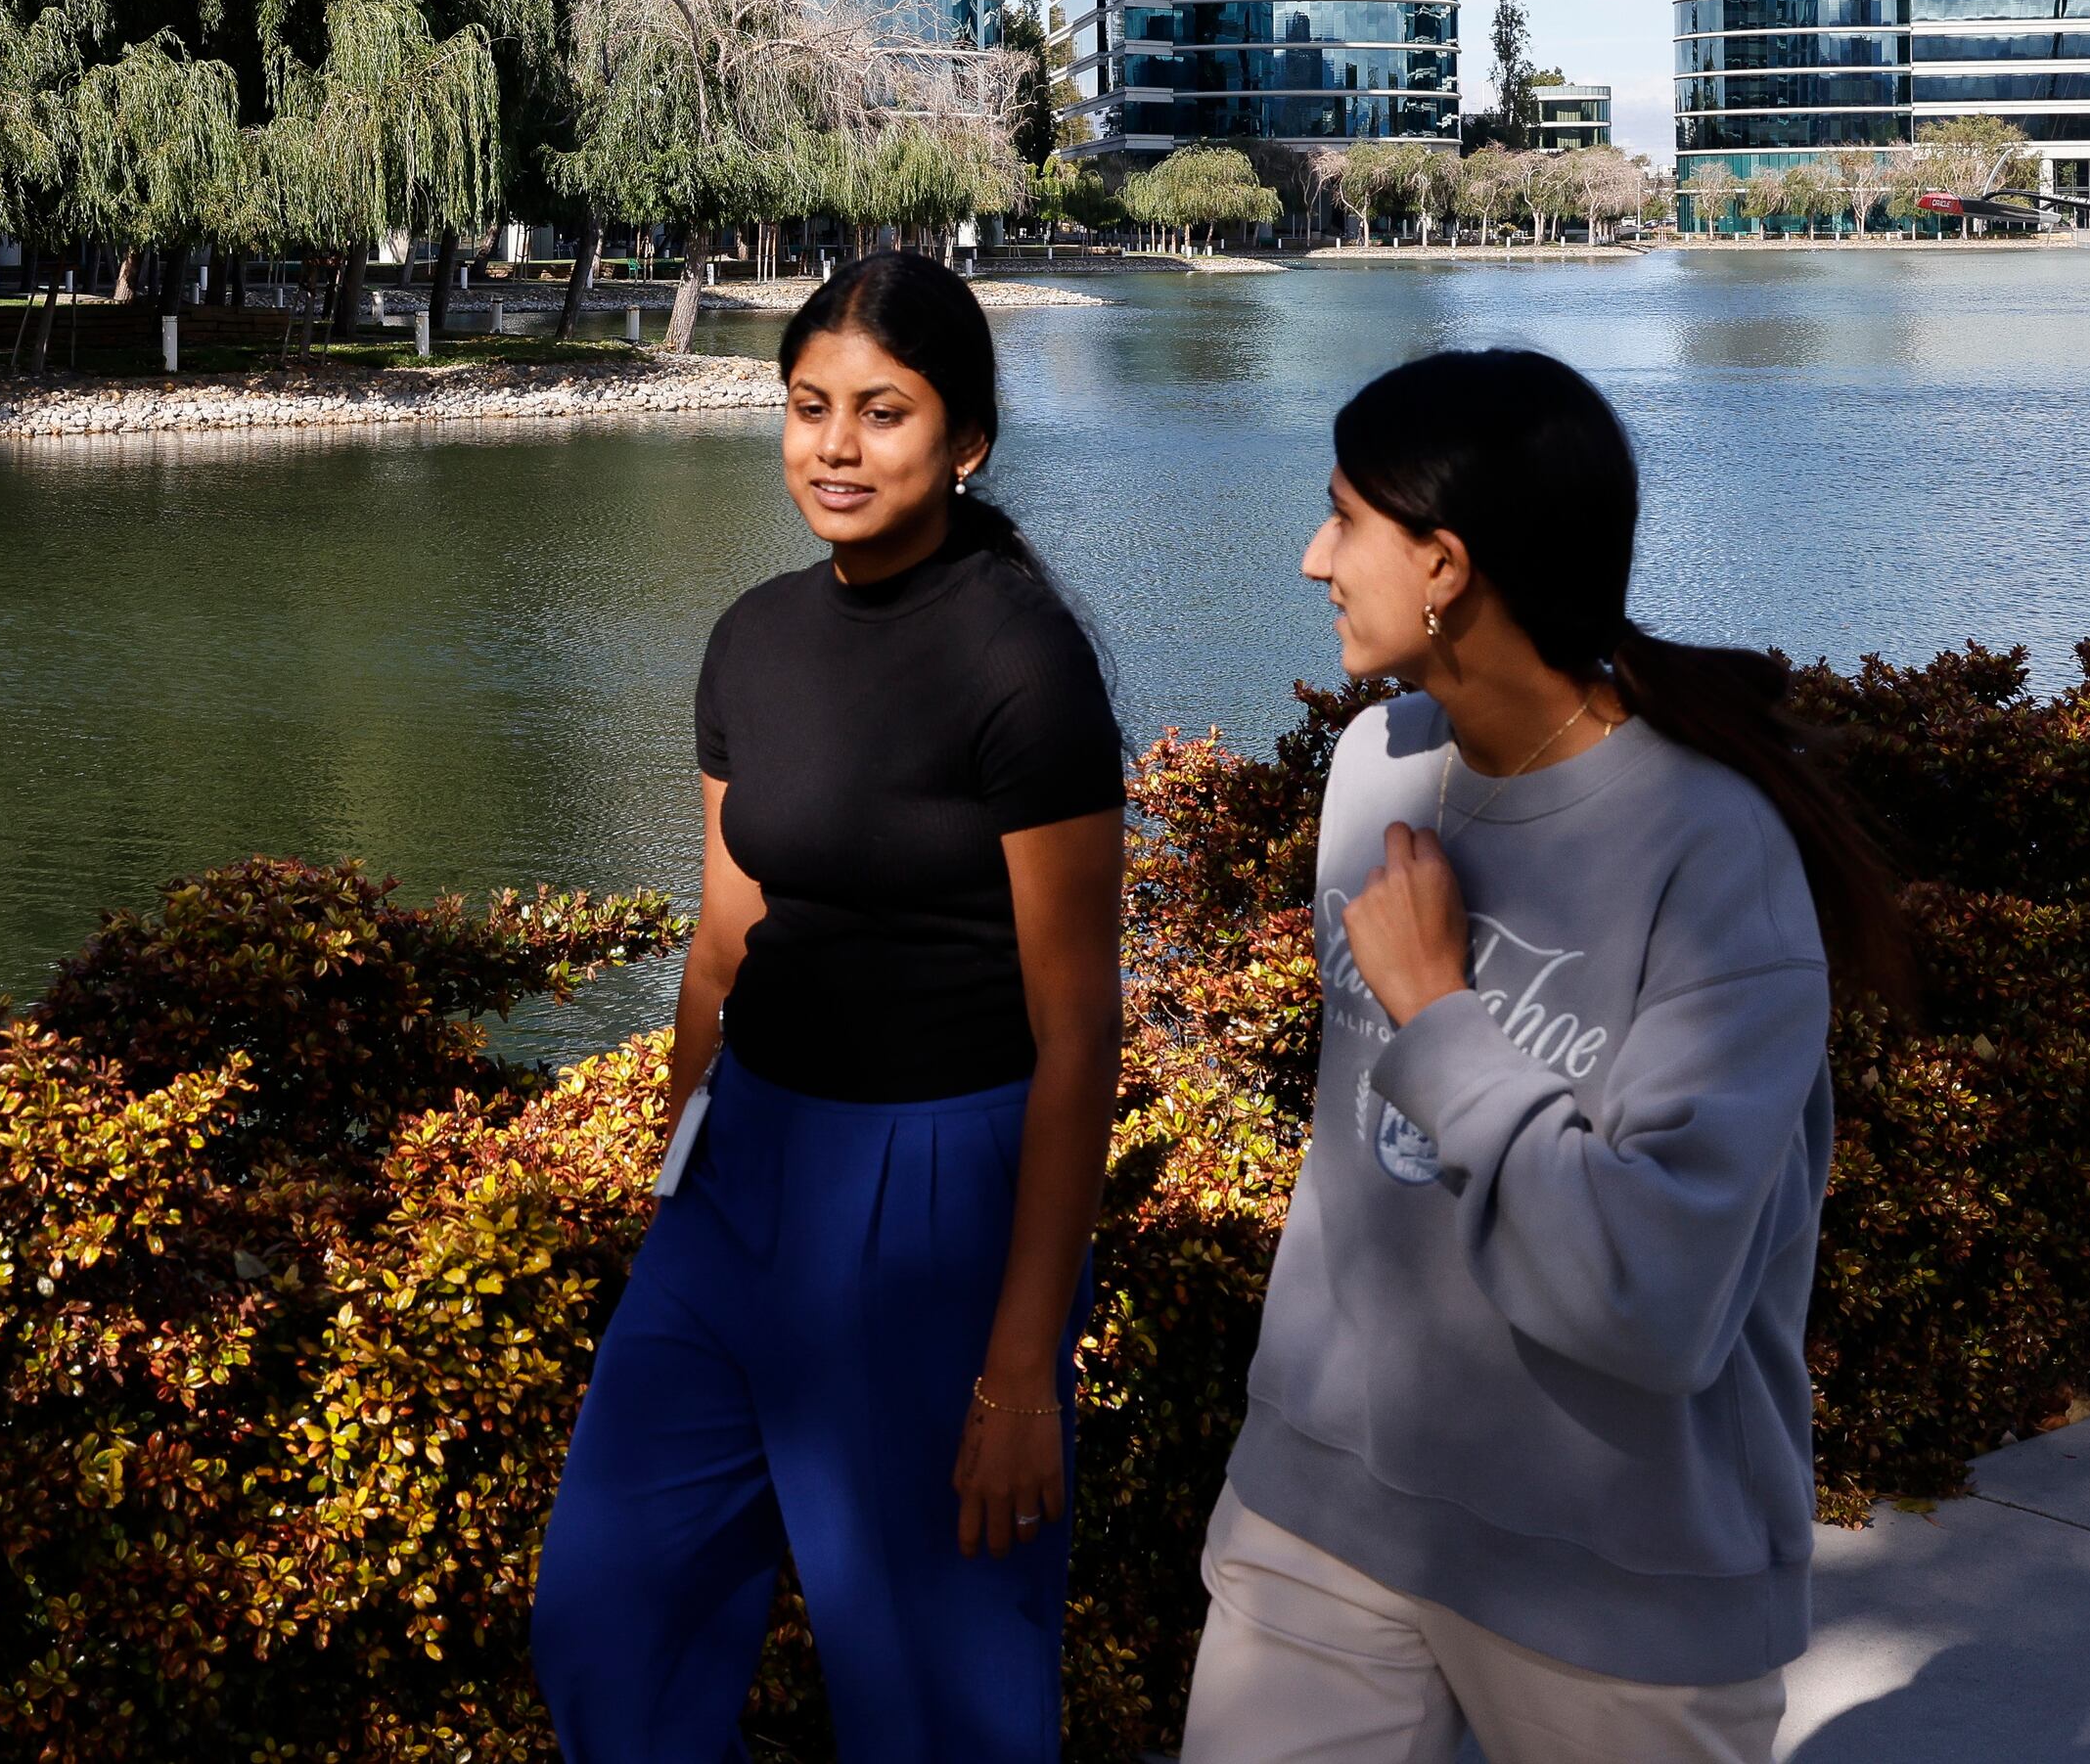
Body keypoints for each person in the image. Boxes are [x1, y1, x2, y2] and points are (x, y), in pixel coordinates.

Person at [1183, 348, 1910, 1764]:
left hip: (1615, 1576)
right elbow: (1357, 1172)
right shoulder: (1375, 769)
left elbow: (1652, 1298)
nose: (1312, 555)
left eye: (1345, 518)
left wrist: (1445, 1016)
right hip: (1321, 1514)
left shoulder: (1713, 854)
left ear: (1445, 566)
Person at [530, 251, 1125, 1764]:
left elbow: (1079, 1033)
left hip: (935, 1192)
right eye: (809, 408)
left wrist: (1020, 1368)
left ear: (967, 440)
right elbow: (727, 934)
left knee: (934, 1695)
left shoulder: (1022, 663)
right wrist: (679, 1167)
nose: (837, 447)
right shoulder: (753, 639)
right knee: (610, 1614)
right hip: (740, 1179)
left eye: (884, 413)